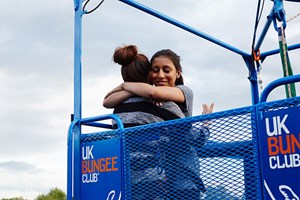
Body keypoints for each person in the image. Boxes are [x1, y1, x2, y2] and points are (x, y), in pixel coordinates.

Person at [104, 48, 214, 199]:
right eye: (155, 70)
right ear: (149, 75)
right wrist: (206, 125)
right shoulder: (162, 104)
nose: (160, 75)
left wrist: (125, 86)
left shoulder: (120, 106)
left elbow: (108, 101)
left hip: (131, 174)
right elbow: (196, 137)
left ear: (178, 73)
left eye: (166, 70)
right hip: (157, 175)